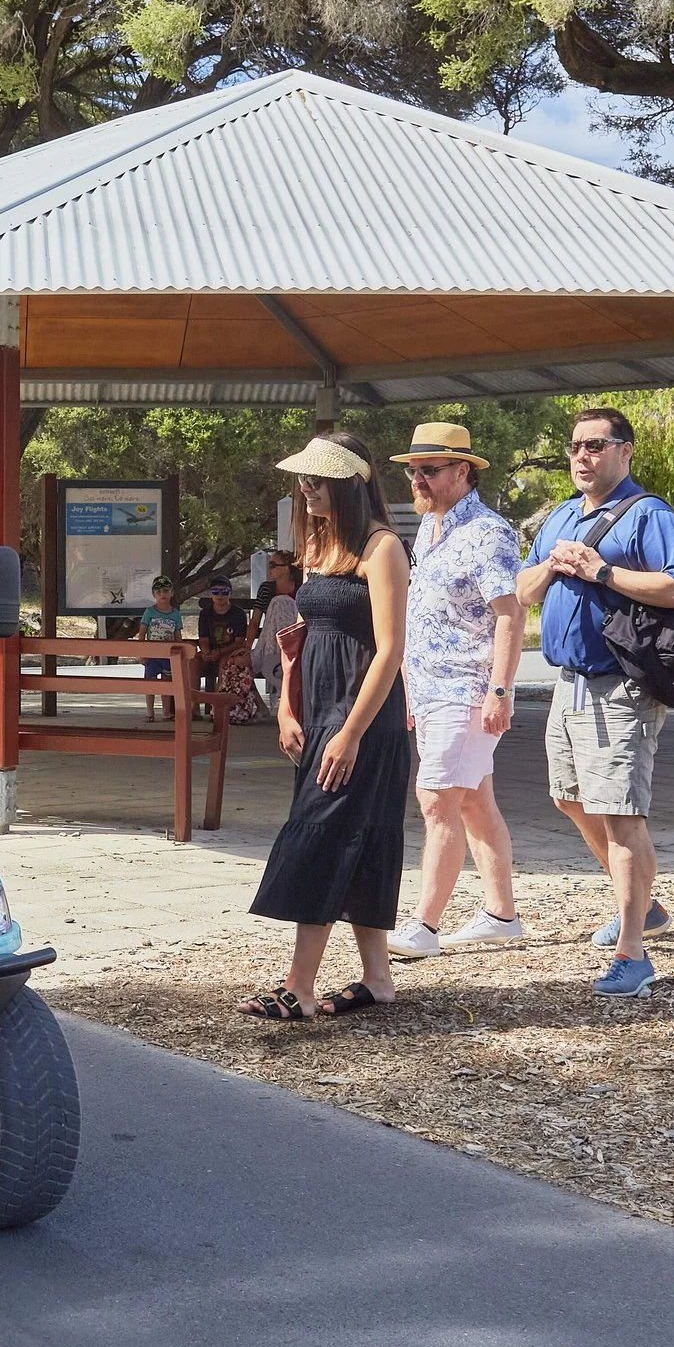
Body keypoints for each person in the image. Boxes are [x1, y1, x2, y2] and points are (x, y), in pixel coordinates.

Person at [513, 407, 674, 998]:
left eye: (596, 445)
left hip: (620, 686)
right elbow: (521, 591)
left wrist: (602, 570)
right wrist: (550, 567)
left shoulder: (650, 514)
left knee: (620, 814)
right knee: (570, 800)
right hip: (565, 684)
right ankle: (643, 904)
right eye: (574, 447)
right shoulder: (561, 516)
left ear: (625, 452)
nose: (582, 457)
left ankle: (632, 954)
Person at [240, 433, 413, 1022]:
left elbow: (390, 651)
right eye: (303, 481)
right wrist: (288, 709)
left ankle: (300, 984)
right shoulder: (318, 546)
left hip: (362, 716)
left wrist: (350, 733)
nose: (306, 491)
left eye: (316, 482)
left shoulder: (382, 547)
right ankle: (378, 979)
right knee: (353, 836)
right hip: (319, 710)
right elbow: (301, 643)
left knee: (322, 832)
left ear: (348, 485)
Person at [381, 423, 525, 960]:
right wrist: (413, 689)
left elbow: (510, 614)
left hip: (466, 687)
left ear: (462, 472)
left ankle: (424, 926)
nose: (416, 479)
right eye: (413, 470)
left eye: (429, 470)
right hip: (435, 687)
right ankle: (501, 914)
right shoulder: (434, 528)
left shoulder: (488, 532)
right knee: (473, 802)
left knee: (437, 798)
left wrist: (500, 690)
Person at [196, 578, 262, 724]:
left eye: (224, 592)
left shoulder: (238, 614)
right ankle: (192, 708)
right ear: (210, 595)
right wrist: (206, 652)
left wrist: (220, 652)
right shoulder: (205, 614)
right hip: (210, 651)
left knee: (224, 663)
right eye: (215, 592)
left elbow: (239, 642)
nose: (220, 596)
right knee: (192, 663)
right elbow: (203, 639)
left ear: (230, 593)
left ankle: (218, 708)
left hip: (229, 652)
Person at [251, 554, 301, 713]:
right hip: (269, 643)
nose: (270, 568)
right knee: (234, 663)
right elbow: (255, 621)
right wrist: (247, 646)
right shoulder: (266, 589)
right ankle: (260, 706)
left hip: (297, 642)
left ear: (287, 568)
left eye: (274, 565)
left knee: (281, 603)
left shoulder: (301, 588)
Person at [136, 576, 183, 722]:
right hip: (152, 654)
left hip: (168, 655)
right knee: (149, 682)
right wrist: (142, 653)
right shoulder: (149, 612)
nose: (162, 594)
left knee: (167, 682)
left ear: (171, 593)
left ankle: (166, 711)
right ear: (153, 594)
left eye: (166, 590)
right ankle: (150, 711)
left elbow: (178, 634)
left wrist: (179, 653)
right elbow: (142, 633)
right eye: (159, 591)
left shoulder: (175, 614)